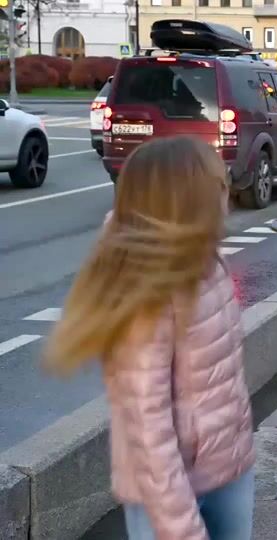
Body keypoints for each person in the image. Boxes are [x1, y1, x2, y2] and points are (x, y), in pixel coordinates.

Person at [43, 137, 255, 540]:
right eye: (219, 185)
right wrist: (181, 526)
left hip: (229, 470)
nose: (227, 194)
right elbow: (146, 423)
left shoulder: (207, 259)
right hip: (168, 493)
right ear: (187, 199)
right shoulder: (145, 290)